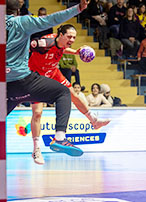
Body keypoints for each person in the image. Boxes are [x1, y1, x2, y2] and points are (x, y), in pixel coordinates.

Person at [0, 0, 90, 200]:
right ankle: (60, 138)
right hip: (23, 83)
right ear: (17, 10)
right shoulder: (23, 22)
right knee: (63, 92)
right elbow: (53, 19)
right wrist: (79, 8)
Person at [28, 25, 110, 165]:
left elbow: (61, 49)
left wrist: (76, 52)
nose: (72, 39)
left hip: (53, 72)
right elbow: (32, 47)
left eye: (74, 37)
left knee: (74, 96)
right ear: (60, 34)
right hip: (36, 75)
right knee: (37, 113)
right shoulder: (46, 42)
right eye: (69, 36)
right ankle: (36, 149)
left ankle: (94, 121)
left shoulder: (61, 43)